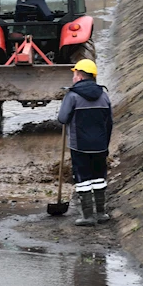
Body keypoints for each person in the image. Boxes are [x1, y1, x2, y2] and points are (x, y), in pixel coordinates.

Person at [57, 59, 113, 227]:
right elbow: (109, 122)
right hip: (100, 145)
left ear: (80, 76)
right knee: (99, 177)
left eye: (74, 74)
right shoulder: (104, 95)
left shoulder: (72, 95)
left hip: (79, 145)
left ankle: (87, 216)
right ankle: (101, 213)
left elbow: (62, 119)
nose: (73, 78)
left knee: (83, 179)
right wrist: (105, 143)